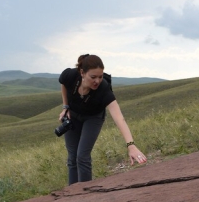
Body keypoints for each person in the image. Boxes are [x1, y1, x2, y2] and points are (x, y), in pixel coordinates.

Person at [58, 54, 147, 185]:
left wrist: (131, 145)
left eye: (100, 77)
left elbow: (119, 118)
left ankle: (86, 193)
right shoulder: (70, 75)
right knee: (72, 158)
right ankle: (72, 194)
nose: (97, 81)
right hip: (74, 116)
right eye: (93, 77)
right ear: (82, 73)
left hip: (93, 118)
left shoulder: (103, 88)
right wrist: (65, 106)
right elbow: (64, 84)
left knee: (82, 156)